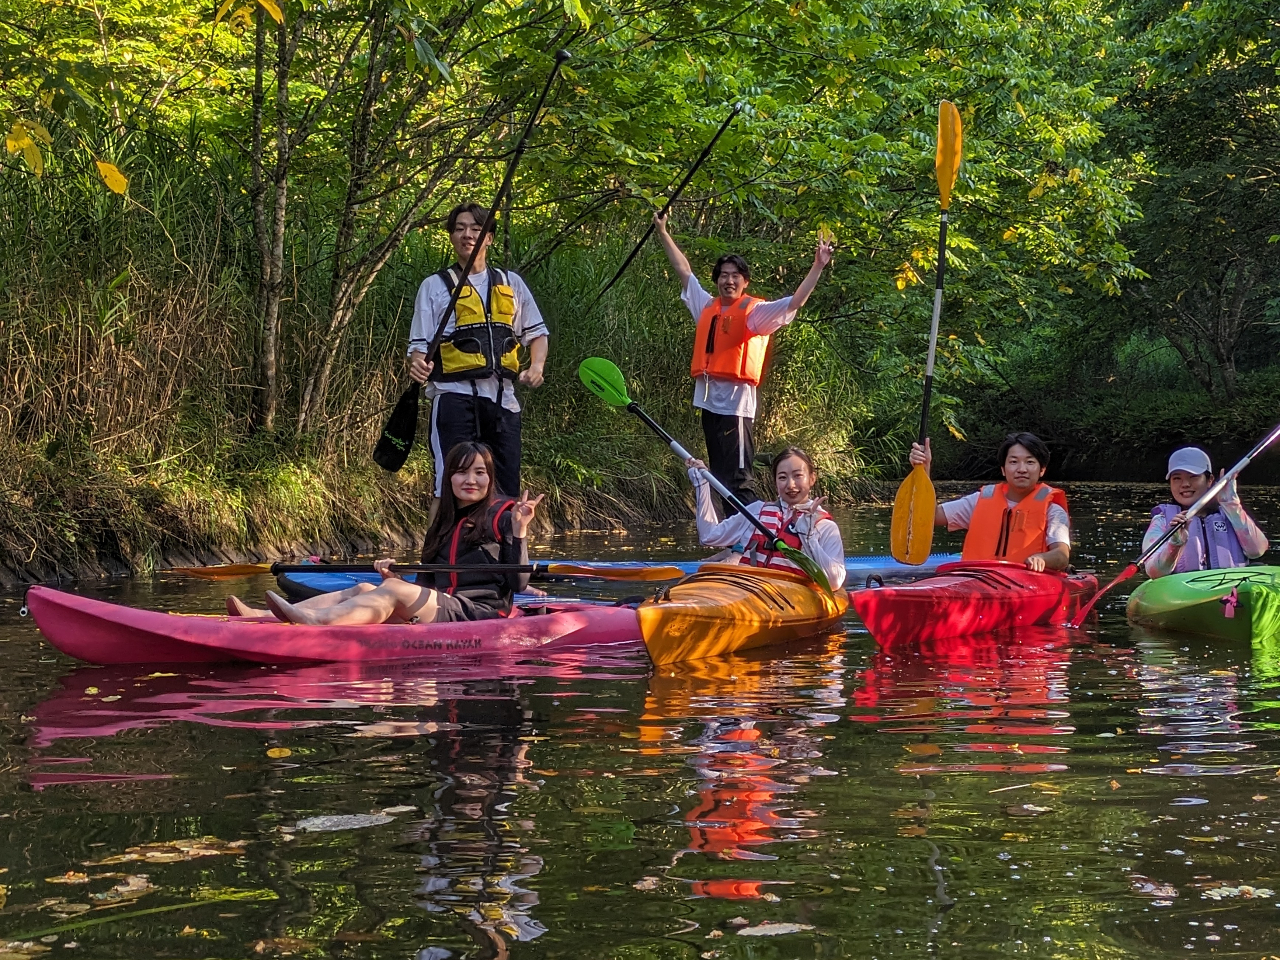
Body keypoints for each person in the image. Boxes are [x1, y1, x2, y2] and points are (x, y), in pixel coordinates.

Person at [238, 442, 543, 625]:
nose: (471, 480)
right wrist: (390, 581)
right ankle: (263, 616)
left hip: (481, 614)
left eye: (480, 472)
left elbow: (518, 583)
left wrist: (520, 531)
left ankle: (317, 622)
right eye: (462, 472)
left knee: (396, 591)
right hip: (443, 607)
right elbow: (425, 583)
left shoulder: (505, 517)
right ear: (449, 477)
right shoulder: (443, 522)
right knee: (364, 590)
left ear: (490, 478)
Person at [655, 213, 832, 510]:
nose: (729, 280)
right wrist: (661, 231)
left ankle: (759, 536)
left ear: (745, 282)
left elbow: (794, 302)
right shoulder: (706, 306)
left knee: (738, 480)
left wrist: (818, 265)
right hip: (709, 406)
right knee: (720, 479)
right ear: (717, 280)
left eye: (735, 276)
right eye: (724, 275)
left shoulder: (754, 313)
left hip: (735, 409)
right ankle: (737, 541)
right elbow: (683, 269)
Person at [407, 203, 549, 503]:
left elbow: (537, 334)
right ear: (451, 237)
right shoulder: (434, 286)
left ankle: (506, 549)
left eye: (475, 229)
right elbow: (418, 350)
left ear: (489, 238)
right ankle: (443, 549)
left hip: (502, 401)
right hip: (453, 397)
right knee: (450, 485)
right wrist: (418, 365)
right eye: (459, 229)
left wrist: (536, 366)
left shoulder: (511, 283)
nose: (467, 235)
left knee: (506, 488)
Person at [683, 447, 846, 590]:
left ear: (812, 478)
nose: (790, 485)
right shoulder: (756, 511)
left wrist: (808, 536)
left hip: (791, 597)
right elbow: (708, 537)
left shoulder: (825, 526)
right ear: (775, 481)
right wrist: (701, 485)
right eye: (782, 477)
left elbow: (834, 582)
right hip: (746, 590)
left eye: (797, 476)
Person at [909, 433, 1071, 572]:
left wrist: (1042, 558)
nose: (1022, 469)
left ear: (1041, 470)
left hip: (1025, 584)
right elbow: (931, 516)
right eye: (1014, 462)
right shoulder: (980, 500)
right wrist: (923, 470)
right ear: (1003, 469)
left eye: (1030, 462)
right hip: (975, 581)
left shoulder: (1053, 510)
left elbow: (1062, 555)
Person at [1141, 446, 1268, 577]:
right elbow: (1154, 572)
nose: (1185, 484)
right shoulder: (1162, 520)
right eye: (1177, 478)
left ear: (1210, 480)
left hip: (1230, 591)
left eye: (1193, 477)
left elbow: (1257, 550)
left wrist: (1232, 504)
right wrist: (1175, 544)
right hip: (1184, 594)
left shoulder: (1230, 515)